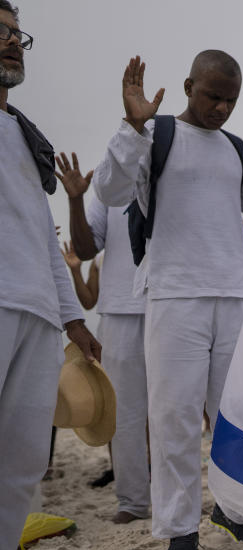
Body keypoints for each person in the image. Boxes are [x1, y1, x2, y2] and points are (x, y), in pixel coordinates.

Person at [92, 50, 243, 550]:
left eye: (230, 100)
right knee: (175, 418)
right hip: (173, 294)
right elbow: (111, 190)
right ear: (188, 86)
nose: (222, 109)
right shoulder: (155, 135)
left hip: (233, 293)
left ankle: (234, 508)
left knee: (235, 415)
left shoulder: (233, 146)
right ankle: (180, 530)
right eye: (212, 97)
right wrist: (131, 127)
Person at [0, 1, 101, 550]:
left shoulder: (24, 136)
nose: (12, 44)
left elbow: (41, 231)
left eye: (16, 35)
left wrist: (73, 318)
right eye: (0, 34)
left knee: (20, 466)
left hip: (36, 312)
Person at [59, 150, 152, 525]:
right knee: (124, 412)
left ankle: (177, 495)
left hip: (172, 302)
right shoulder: (108, 188)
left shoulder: (170, 175)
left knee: (175, 409)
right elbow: (84, 248)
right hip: (118, 310)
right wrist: (76, 198)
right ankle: (133, 500)